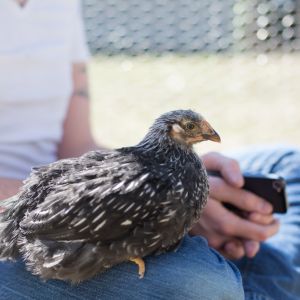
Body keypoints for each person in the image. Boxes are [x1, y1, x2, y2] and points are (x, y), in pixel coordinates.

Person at [0, 1, 299, 299]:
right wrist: (150, 198)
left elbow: (77, 145)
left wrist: (161, 179)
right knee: (206, 284)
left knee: (288, 164)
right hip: (25, 225)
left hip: (71, 194)